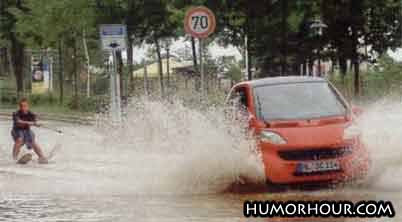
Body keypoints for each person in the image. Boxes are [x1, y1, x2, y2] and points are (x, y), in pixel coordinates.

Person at [11, 98, 48, 164]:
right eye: (21, 106)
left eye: (25, 106)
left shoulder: (31, 114)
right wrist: (30, 123)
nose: (23, 108)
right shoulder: (16, 113)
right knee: (19, 140)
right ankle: (14, 158)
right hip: (17, 130)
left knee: (32, 142)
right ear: (20, 107)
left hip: (27, 130)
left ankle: (42, 157)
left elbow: (35, 122)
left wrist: (37, 124)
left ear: (28, 106)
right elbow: (19, 122)